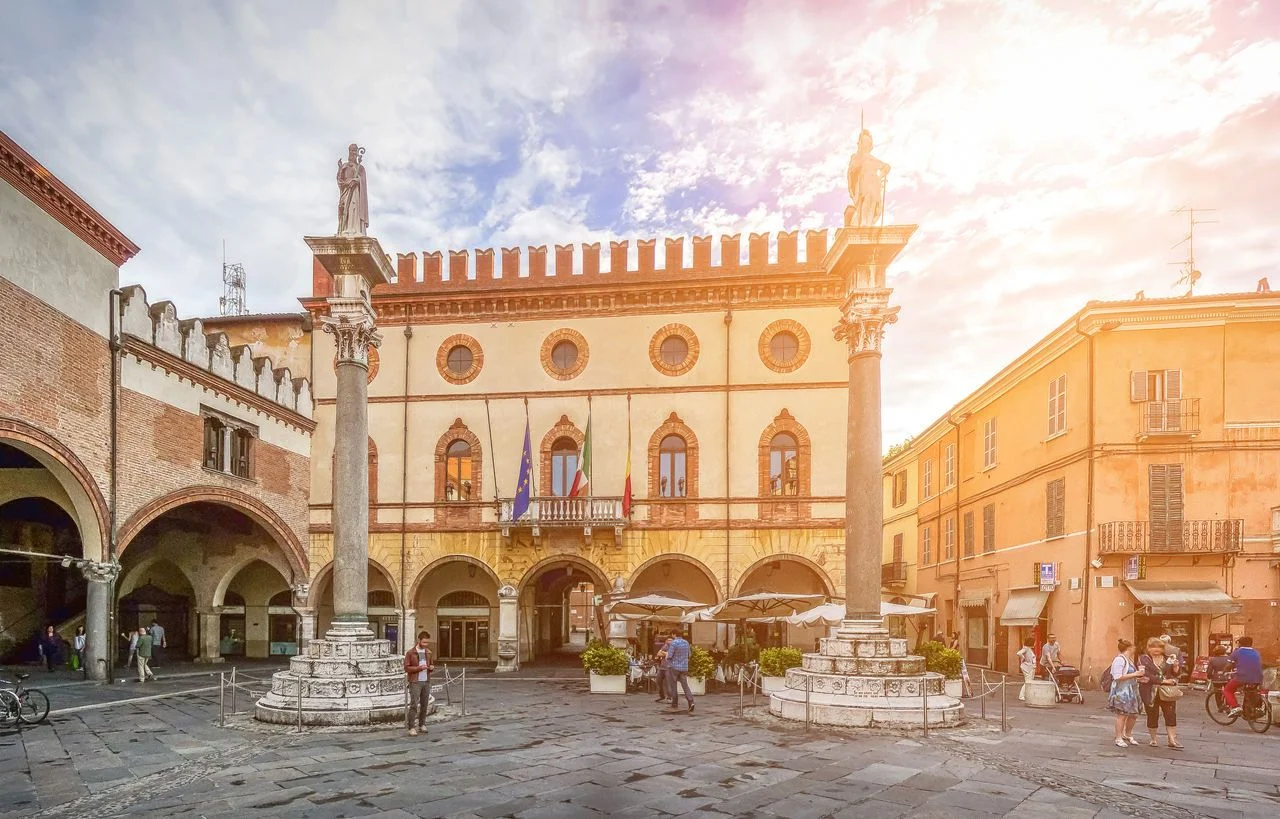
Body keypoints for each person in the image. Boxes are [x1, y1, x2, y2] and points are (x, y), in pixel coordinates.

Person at [1138, 637, 1183, 750]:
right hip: (1149, 690)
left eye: (1159, 647)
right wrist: (1162, 680)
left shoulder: (1169, 659)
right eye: (1153, 647)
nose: (1156, 649)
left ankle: (1172, 739)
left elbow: (1175, 674)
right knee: (1152, 714)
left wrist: (1176, 667)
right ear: (1148, 648)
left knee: (1170, 714)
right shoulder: (1143, 659)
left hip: (1167, 691)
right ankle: (1153, 739)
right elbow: (1145, 674)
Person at [1107, 639, 1143, 748]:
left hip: (1132, 689)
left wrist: (1138, 677)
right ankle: (1118, 737)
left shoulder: (1130, 660)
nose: (1135, 648)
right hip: (1122, 690)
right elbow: (1117, 677)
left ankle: (1127, 734)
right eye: (1133, 647)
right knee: (1122, 714)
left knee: (1133, 714)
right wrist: (1135, 674)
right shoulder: (1119, 660)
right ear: (1129, 648)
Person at [403, 631, 433, 737]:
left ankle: (422, 724)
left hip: (426, 681)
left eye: (427, 643)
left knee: (425, 704)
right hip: (415, 681)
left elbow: (431, 664)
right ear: (419, 640)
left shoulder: (428, 652)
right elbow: (406, 667)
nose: (426, 645)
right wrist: (419, 668)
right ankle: (411, 727)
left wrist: (431, 668)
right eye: (424, 642)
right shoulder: (411, 653)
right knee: (414, 704)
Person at [1224, 636, 1264, 716]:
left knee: (1227, 690)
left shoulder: (1237, 652)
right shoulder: (1256, 652)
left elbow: (1229, 665)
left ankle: (1235, 707)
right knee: (1251, 691)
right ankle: (1255, 709)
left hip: (1243, 677)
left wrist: (1225, 671)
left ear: (1240, 643)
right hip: (1258, 677)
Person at [665, 629, 695, 713]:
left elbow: (670, 656)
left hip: (674, 667)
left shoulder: (673, 643)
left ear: (674, 634)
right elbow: (689, 655)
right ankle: (691, 701)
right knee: (685, 685)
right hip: (684, 667)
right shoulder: (686, 643)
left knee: (673, 685)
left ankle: (675, 703)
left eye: (672, 635)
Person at [1016, 637, 1037, 701]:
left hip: (1030, 667)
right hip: (1028, 667)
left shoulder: (1029, 649)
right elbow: (1019, 653)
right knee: (1027, 682)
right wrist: (1023, 658)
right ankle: (1021, 695)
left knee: (1029, 681)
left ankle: (1026, 694)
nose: (1035, 643)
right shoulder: (1026, 648)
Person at [654, 636, 673, 704]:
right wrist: (666, 654)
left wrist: (664, 653)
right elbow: (658, 654)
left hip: (669, 667)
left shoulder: (673, 647)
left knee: (668, 683)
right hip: (662, 667)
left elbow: (671, 655)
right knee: (658, 681)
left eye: (671, 640)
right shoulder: (665, 646)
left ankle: (669, 697)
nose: (670, 641)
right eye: (668, 640)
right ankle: (662, 696)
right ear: (666, 641)